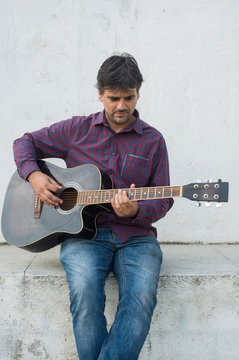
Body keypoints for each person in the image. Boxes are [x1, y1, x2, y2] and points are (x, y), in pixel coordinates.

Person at [13, 53, 174, 360]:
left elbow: (163, 198)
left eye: (128, 97)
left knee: (140, 298)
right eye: (113, 98)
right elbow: (25, 142)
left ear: (139, 92)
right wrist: (33, 175)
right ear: (100, 94)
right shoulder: (77, 130)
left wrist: (136, 211)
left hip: (136, 237)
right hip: (84, 237)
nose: (121, 106)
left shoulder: (153, 141)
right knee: (85, 295)